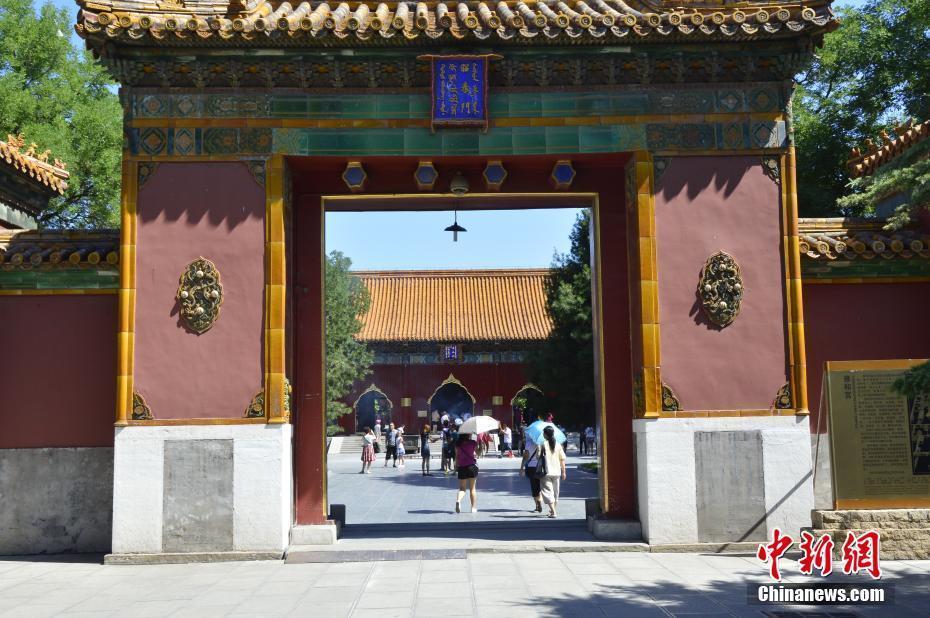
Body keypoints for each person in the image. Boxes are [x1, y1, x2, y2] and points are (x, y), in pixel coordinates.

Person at [538, 426, 567, 518]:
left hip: (546, 472)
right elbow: (562, 459)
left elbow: (538, 457)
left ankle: (553, 512)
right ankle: (552, 510)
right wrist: (564, 472)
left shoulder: (543, 444)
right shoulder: (558, 444)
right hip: (557, 472)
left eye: (543, 433)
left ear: (546, 434)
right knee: (555, 493)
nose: (543, 435)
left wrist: (538, 449)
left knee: (547, 492)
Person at [454, 433, 479, 513]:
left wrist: (456, 466)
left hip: (461, 467)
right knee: (472, 489)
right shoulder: (473, 443)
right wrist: (480, 445)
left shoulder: (458, 444)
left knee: (462, 489)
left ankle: (458, 500)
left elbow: (457, 456)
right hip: (472, 466)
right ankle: (473, 508)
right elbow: (478, 453)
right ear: (468, 435)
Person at [519, 440, 543, 513]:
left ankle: (537, 504)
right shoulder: (542, 443)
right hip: (541, 467)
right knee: (540, 487)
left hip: (531, 467)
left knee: (534, 486)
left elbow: (525, 457)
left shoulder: (529, 443)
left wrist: (522, 468)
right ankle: (540, 501)